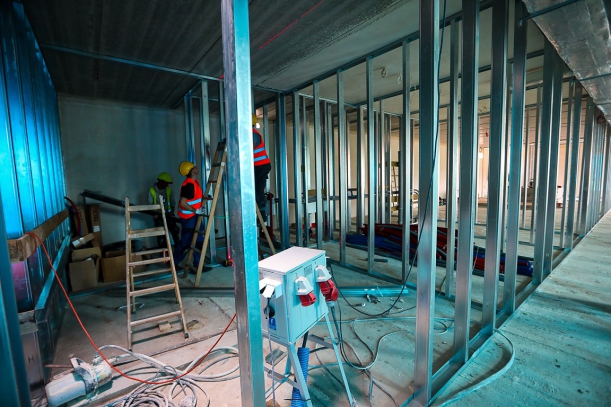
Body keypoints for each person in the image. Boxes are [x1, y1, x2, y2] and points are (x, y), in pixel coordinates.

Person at [173, 161, 204, 268]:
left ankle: (198, 264)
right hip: (189, 218)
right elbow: (183, 202)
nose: (196, 167)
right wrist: (195, 210)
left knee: (198, 240)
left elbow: (194, 198)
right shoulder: (189, 185)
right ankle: (174, 263)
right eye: (193, 167)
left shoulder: (194, 182)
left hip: (193, 217)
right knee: (186, 242)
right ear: (192, 171)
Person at [147, 172, 180, 248]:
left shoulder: (168, 190)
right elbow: (149, 204)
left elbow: (173, 203)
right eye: (166, 183)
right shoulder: (152, 190)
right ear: (161, 182)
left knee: (175, 231)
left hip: (169, 215)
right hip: (158, 216)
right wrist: (154, 213)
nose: (167, 185)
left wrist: (171, 212)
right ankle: (163, 251)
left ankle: (179, 249)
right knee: (161, 235)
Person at [253, 114, 271, 223]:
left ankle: (261, 214)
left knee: (255, 189)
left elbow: (249, 150)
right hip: (261, 166)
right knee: (258, 190)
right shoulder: (250, 133)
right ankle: (262, 215)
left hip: (260, 166)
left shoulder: (252, 134)